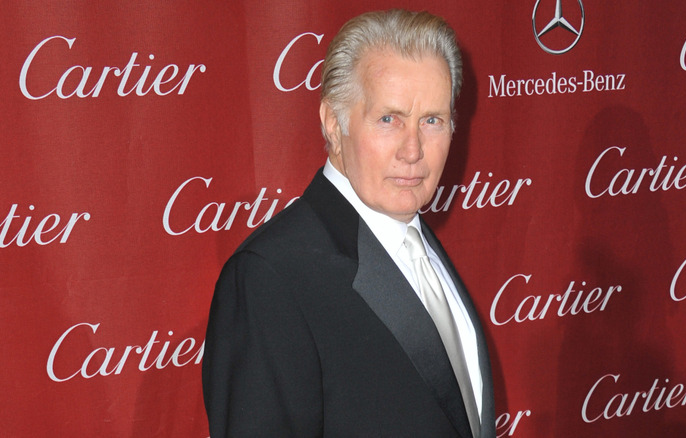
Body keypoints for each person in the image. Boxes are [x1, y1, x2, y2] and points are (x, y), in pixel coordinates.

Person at [202, 9, 495, 438]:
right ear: (333, 125)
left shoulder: (416, 236)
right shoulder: (269, 277)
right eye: (388, 119)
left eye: (431, 120)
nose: (413, 150)